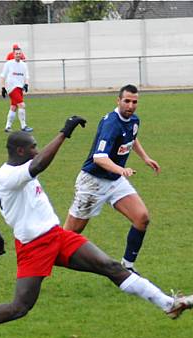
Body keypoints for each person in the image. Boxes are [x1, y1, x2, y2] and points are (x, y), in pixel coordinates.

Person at [0, 116, 193, 338]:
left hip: (57, 236)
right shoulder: (11, 176)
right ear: (20, 151)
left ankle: (169, 304)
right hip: (34, 247)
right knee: (20, 307)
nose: (36, 150)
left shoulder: (5, 175)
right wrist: (64, 133)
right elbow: (38, 165)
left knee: (110, 266)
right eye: (32, 147)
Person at [63, 84, 161, 274]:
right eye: (127, 101)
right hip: (93, 181)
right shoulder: (111, 123)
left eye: (134, 102)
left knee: (142, 218)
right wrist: (121, 170)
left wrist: (146, 158)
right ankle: (39, 260)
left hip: (114, 180)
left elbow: (132, 137)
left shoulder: (134, 120)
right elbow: (99, 158)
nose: (131, 106)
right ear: (118, 101)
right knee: (68, 235)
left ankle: (128, 267)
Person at [0, 48, 32, 133]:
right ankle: (24, 126)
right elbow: (3, 76)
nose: (18, 55)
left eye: (19, 53)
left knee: (14, 107)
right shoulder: (9, 64)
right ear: (13, 55)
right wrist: (3, 88)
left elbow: (27, 76)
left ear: (21, 54)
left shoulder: (24, 65)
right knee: (22, 105)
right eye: (16, 53)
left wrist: (26, 84)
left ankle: (8, 127)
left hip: (19, 87)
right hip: (12, 87)